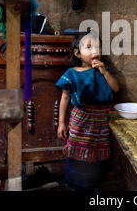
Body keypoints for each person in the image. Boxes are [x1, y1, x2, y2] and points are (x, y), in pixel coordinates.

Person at [55, 31, 119, 190]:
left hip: (101, 121)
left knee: (96, 155)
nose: (95, 51)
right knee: (78, 152)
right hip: (81, 120)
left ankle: (93, 184)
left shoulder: (103, 71)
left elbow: (116, 88)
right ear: (77, 53)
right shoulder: (71, 74)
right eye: (89, 47)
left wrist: (104, 72)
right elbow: (65, 98)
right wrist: (61, 123)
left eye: (98, 47)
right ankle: (74, 184)